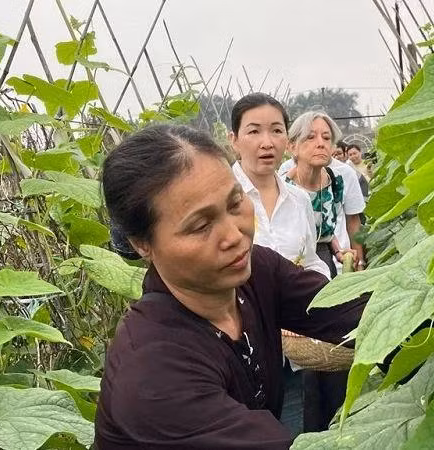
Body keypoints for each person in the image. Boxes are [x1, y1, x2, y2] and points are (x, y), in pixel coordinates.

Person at [94, 124, 366, 449]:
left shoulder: (257, 271)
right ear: (142, 244)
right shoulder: (153, 373)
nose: (236, 236)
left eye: (235, 203)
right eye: (200, 225)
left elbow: (357, 311)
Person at [228, 93, 329, 278]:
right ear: (234, 140)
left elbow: (310, 261)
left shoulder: (299, 199)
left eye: (276, 131)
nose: (267, 143)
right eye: (254, 131)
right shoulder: (219, 200)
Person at [284, 111, 366, 277]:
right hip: (293, 270)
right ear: (293, 146)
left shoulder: (339, 179)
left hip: (334, 267)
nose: (320, 144)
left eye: (327, 138)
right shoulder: (282, 186)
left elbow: (349, 223)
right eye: (310, 137)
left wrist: (358, 264)